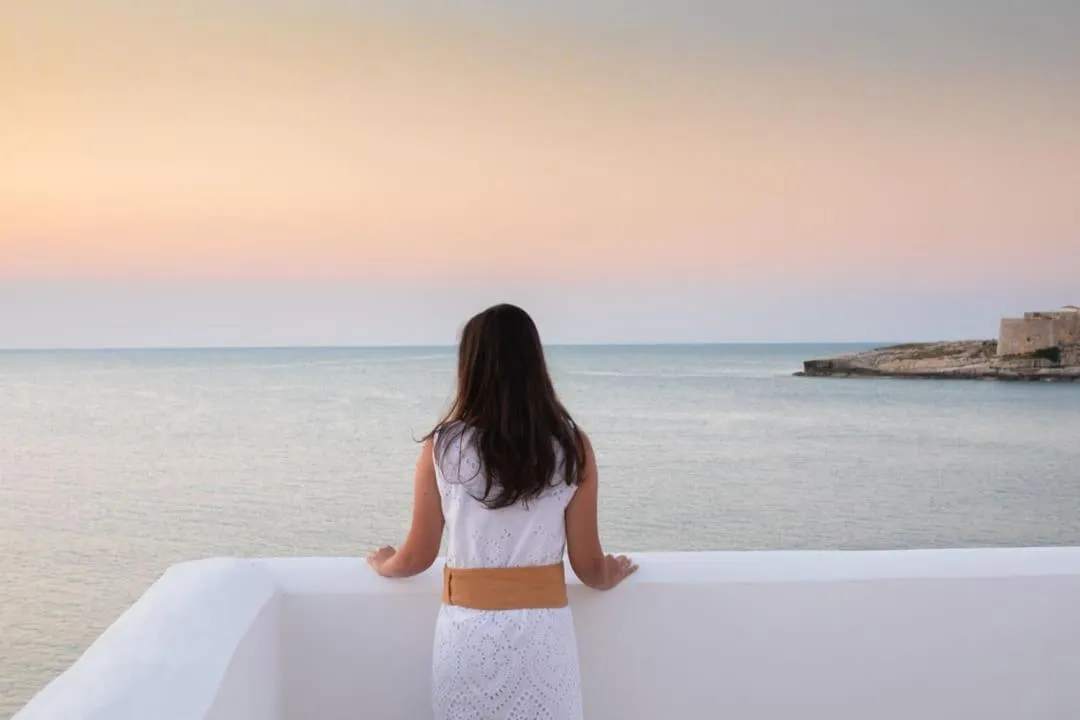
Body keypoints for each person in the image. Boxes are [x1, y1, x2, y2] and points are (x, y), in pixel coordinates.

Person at [367, 303, 637, 720]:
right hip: (543, 639)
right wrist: (611, 572)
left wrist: (386, 565)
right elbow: (587, 565)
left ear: (471, 367)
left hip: (466, 636)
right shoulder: (570, 446)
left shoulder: (443, 447)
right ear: (535, 364)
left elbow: (417, 557)